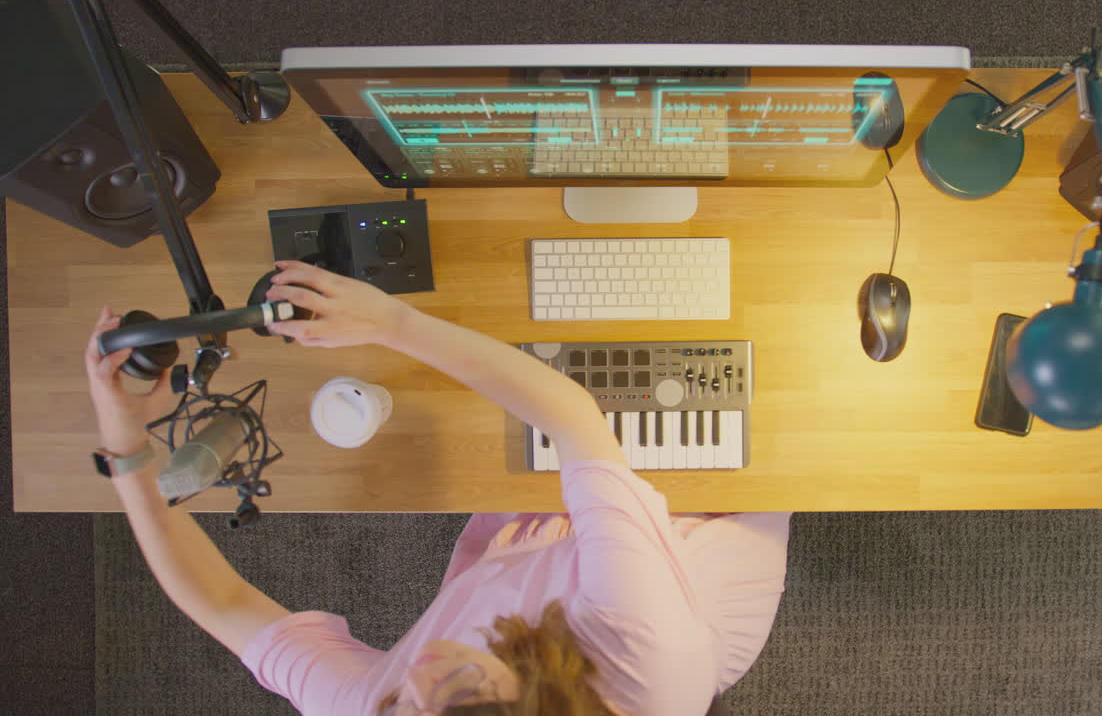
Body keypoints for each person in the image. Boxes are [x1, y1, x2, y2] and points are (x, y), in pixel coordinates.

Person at [85, 260, 793, 715]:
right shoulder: (643, 652)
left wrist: (124, 443)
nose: (417, 672)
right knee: (745, 380)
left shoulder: (387, 705)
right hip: (702, 540)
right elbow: (576, 422)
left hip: (533, 553)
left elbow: (223, 604)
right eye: (453, 697)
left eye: (405, 709)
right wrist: (390, 322)